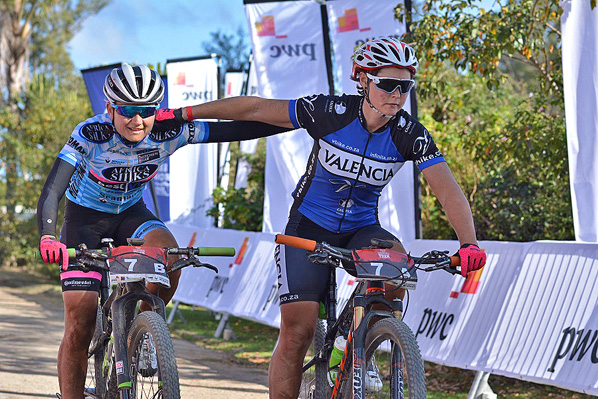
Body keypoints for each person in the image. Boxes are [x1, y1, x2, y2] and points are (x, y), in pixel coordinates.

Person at [180, 37, 487, 398]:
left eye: (405, 86)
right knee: (297, 334)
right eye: (388, 84)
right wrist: (186, 114)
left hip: (361, 228)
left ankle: (360, 337)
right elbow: (256, 109)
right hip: (309, 226)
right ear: (363, 79)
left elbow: (447, 190)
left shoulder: (410, 135)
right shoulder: (329, 112)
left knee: (399, 271)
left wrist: (469, 242)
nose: (397, 94)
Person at [37, 63, 289, 399]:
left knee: (171, 257)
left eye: (146, 111)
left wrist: (297, 123)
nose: (137, 120)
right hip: (85, 220)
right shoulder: (89, 134)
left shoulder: (169, 131)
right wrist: (48, 236)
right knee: (80, 325)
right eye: (127, 110)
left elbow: (238, 130)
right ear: (110, 107)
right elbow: (53, 189)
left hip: (131, 213)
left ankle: (143, 332)